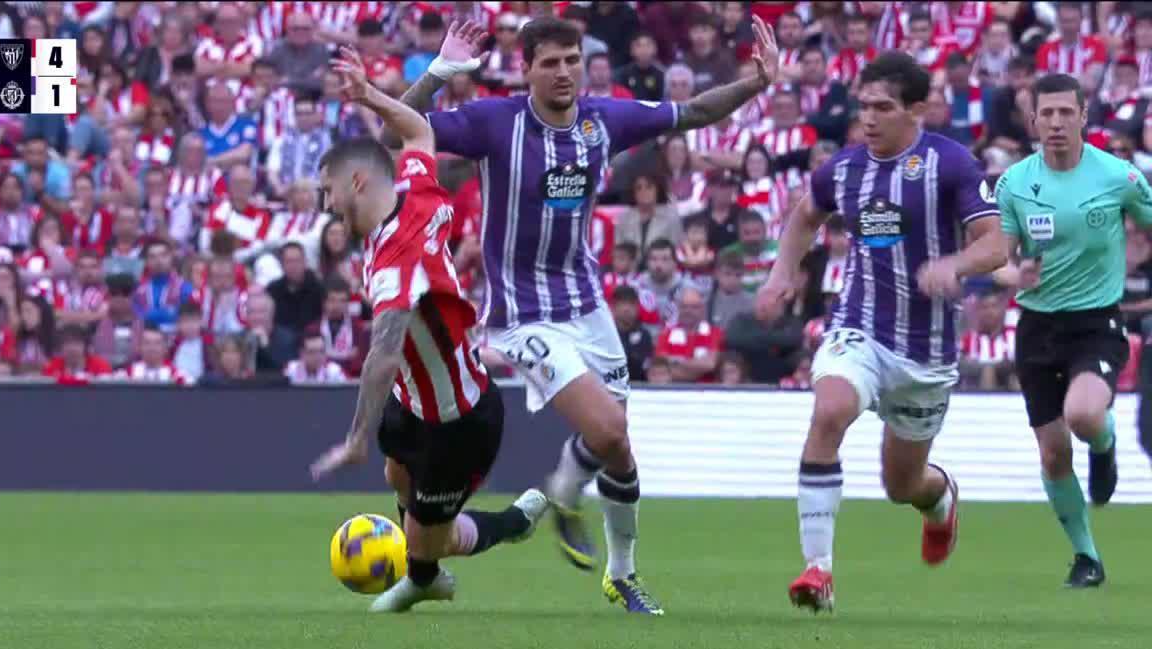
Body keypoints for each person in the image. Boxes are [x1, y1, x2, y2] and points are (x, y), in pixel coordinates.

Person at [394, 16, 779, 614]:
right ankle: (562, 492)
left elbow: (695, 112)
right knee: (604, 431)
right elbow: (402, 130)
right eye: (549, 62)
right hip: (523, 315)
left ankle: (621, 574)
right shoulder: (496, 123)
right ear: (525, 70)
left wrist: (755, 83)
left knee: (619, 450)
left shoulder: (607, 119)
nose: (564, 72)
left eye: (571, 59)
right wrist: (441, 71)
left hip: (587, 306)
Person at [757, 51, 1010, 613]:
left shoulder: (951, 164)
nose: (868, 119)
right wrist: (781, 275)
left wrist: (955, 267)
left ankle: (939, 499)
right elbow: (804, 216)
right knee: (828, 414)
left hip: (927, 353)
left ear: (917, 110)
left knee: (902, 485)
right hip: (860, 329)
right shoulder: (844, 169)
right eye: (863, 106)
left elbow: (996, 244)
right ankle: (818, 571)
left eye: (883, 107)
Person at [309, 48, 549, 614]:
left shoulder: (397, 260)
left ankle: (509, 524)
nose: (325, 205)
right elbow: (416, 130)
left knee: (430, 542)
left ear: (359, 182)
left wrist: (354, 437)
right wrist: (373, 94)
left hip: (458, 420)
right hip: (413, 403)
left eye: (328, 192)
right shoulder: (413, 187)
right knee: (396, 471)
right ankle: (422, 573)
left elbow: (384, 355)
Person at [992, 73, 1152, 588]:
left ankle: (1104, 446)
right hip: (1036, 327)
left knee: (1083, 416)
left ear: (1084, 116)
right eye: (1047, 113)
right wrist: (1012, 274)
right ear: (1033, 120)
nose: (1057, 122)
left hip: (1096, 323)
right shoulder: (1015, 182)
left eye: (1067, 112)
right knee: (1053, 451)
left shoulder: (1119, 177)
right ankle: (1088, 558)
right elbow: (998, 257)